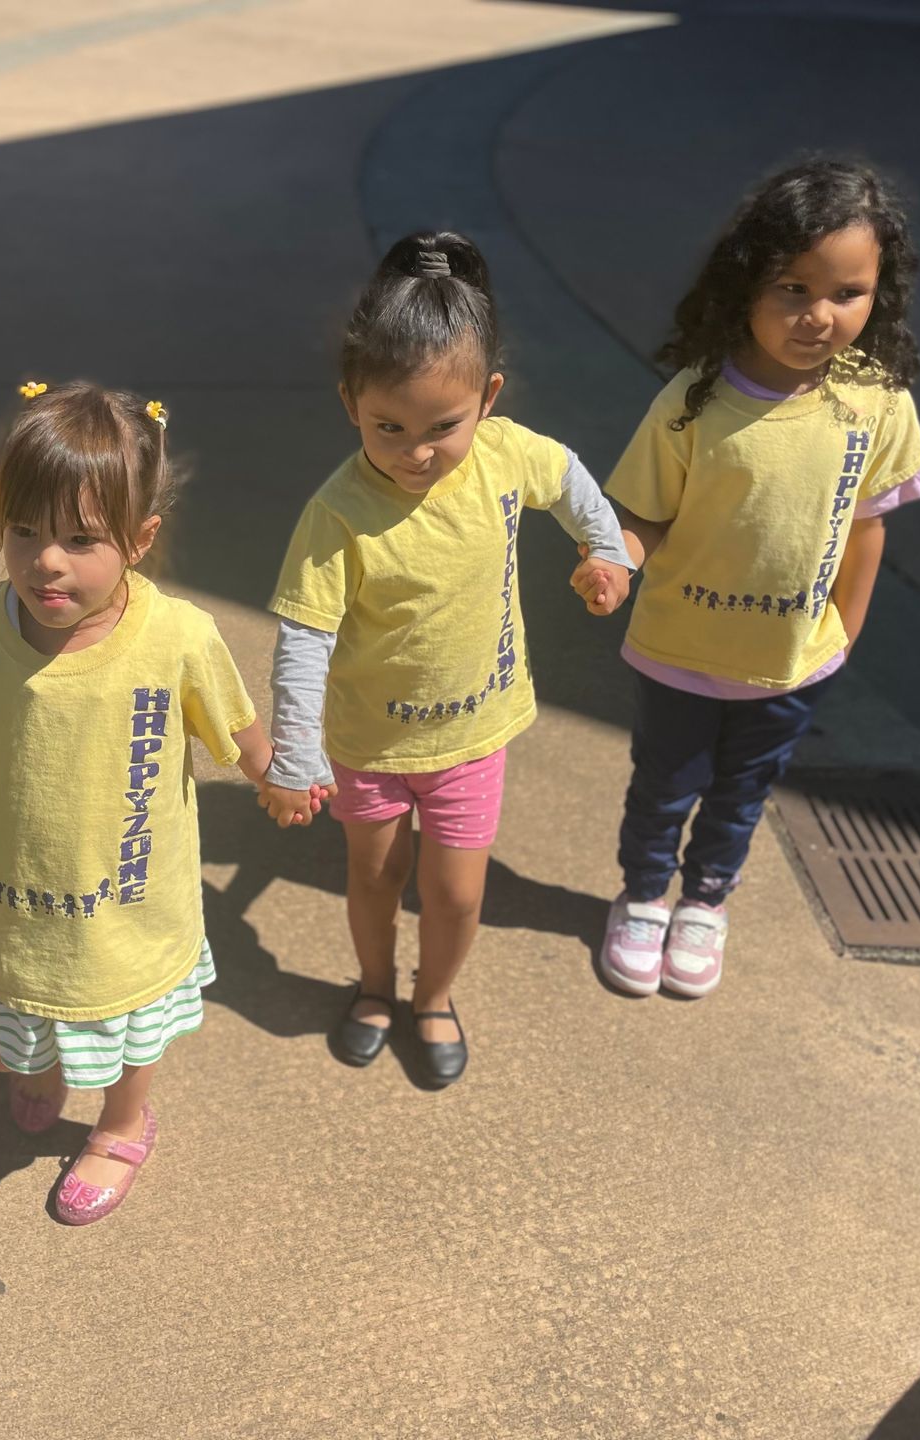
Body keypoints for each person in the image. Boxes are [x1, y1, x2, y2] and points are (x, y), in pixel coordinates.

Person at [0, 381, 280, 1225]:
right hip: (14, 907)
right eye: (27, 531)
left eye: (82, 539)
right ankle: (40, 1065)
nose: (48, 560)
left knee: (129, 1028)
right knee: (10, 1039)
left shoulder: (176, 635)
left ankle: (121, 1127)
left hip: (132, 907)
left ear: (140, 539)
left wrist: (277, 776)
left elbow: (239, 726)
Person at [262, 231, 633, 1086]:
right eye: (387, 425)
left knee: (459, 894)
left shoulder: (505, 457)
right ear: (349, 398)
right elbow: (305, 640)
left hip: (474, 734)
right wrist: (297, 754)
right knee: (374, 879)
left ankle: (434, 996)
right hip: (371, 745)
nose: (414, 450)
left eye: (442, 426)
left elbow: (572, 478)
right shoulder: (338, 513)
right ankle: (374, 986)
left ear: (488, 399)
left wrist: (605, 550)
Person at [599, 158, 920, 999]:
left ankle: (705, 902)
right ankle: (643, 896)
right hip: (680, 650)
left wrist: (844, 635)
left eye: (848, 293)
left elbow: (869, 526)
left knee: (742, 797)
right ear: (744, 282)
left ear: (879, 293)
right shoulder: (693, 401)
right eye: (793, 287)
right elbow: (643, 513)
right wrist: (616, 565)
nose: (819, 316)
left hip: (791, 663)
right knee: (664, 788)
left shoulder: (877, 401)